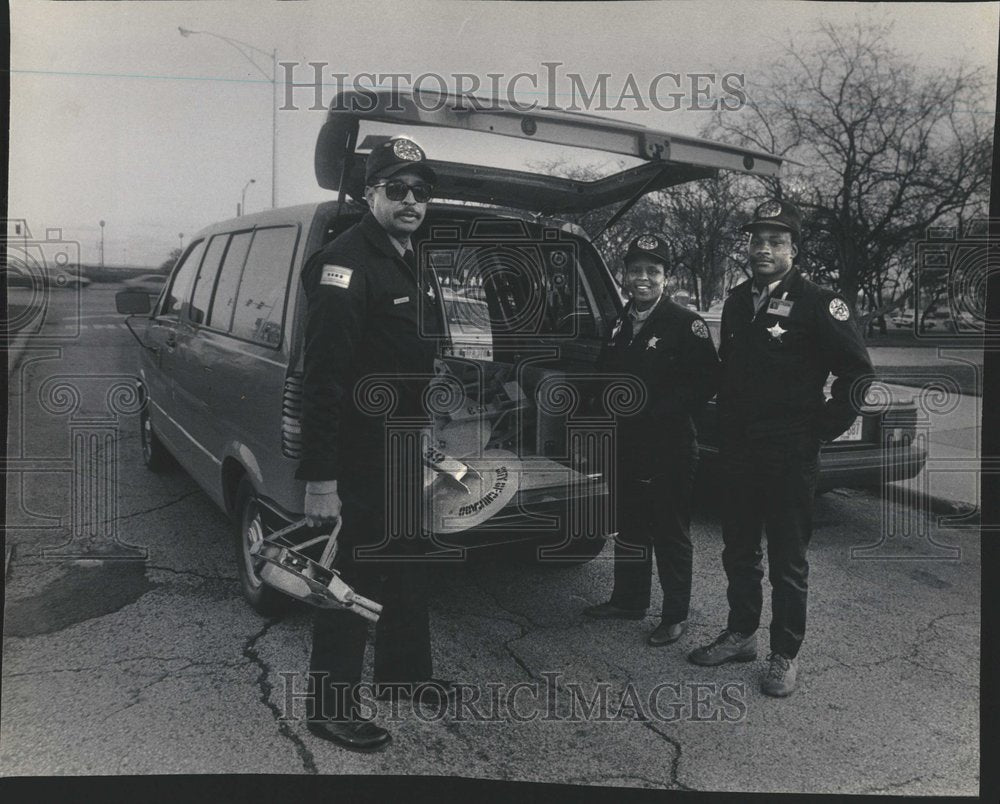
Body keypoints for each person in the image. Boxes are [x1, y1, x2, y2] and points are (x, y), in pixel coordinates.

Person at [296, 136, 454, 751]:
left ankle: (403, 676)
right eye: (397, 189)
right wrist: (321, 480)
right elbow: (324, 381)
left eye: (421, 191)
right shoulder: (346, 263)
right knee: (350, 575)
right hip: (359, 452)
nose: (411, 200)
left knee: (407, 561)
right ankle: (330, 708)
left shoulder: (408, 256)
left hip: (404, 443)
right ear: (371, 194)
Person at [687, 199, 874, 696]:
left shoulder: (819, 301)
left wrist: (821, 430)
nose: (763, 248)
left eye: (775, 241)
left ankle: (784, 655)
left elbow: (858, 372)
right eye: (756, 240)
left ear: (793, 249)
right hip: (740, 450)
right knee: (739, 550)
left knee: (788, 561)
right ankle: (741, 634)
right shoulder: (735, 301)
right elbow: (729, 371)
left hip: (790, 453)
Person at [582, 234, 720, 646]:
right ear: (625, 276)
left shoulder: (684, 323)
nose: (643, 278)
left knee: (670, 530)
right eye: (636, 270)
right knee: (629, 525)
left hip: (669, 446)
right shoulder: (620, 322)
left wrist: (660, 411)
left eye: (653, 271)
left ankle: (675, 615)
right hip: (626, 444)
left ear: (666, 278)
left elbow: (708, 379)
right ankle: (629, 600)